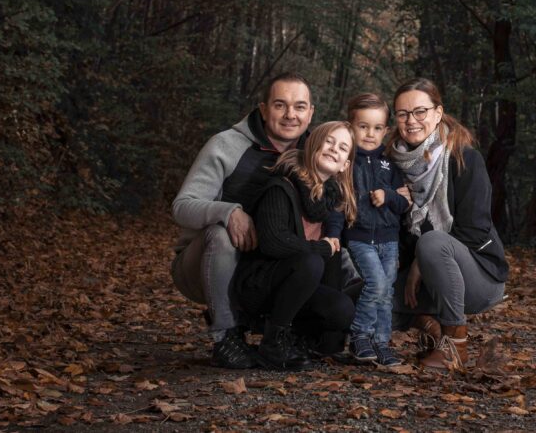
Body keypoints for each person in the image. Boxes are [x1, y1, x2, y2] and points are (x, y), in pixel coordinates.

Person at [170, 73, 314, 368]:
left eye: (299, 107)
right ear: (263, 109)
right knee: (221, 234)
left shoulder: (317, 151)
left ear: (311, 112)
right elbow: (182, 207)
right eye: (280, 105)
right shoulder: (226, 145)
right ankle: (225, 336)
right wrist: (229, 211)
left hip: (264, 268)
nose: (290, 115)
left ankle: (286, 333)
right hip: (203, 266)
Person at [389, 78, 508, 372]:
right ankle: (429, 324)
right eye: (403, 113)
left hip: (477, 276)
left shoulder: (464, 159)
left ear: (438, 113)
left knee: (432, 244)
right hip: (426, 280)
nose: (411, 120)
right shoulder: (390, 163)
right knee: (365, 304)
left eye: (420, 111)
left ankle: (456, 346)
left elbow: (475, 231)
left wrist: (421, 258)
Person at [232, 121, 357, 370]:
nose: (334, 149)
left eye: (343, 148)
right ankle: (272, 343)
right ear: (312, 146)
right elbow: (273, 243)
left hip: (297, 287)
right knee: (313, 258)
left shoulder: (328, 200)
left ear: (345, 165)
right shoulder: (282, 185)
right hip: (260, 286)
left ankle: (304, 341)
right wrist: (322, 248)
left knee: (341, 308)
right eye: (329, 142)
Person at [341, 93, 411, 366]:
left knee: (387, 291)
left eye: (377, 127)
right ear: (351, 126)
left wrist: (387, 195)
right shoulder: (345, 161)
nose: (371, 133)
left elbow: (404, 202)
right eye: (363, 126)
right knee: (377, 284)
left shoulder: (390, 162)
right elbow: (336, 201)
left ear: (386, 130)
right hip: (359, 237)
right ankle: (359, 335)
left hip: (388, 239)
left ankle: (381, 343)